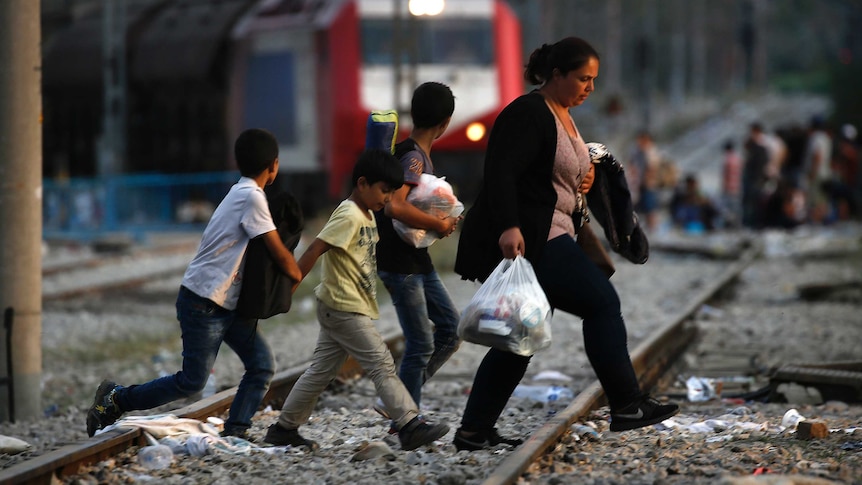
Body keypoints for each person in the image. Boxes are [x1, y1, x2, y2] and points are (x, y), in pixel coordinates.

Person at [452, 36, 679, 451]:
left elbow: (556, 173)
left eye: (593, 80)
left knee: (519, 337)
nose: (589, 88)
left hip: (552, 232)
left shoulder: (564, 115)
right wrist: (508, 226)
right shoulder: (527, 113)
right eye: (582, 78)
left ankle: (473, 430)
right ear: (555, 75)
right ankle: (627, 404)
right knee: (601, 304)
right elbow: (501, 172)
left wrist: (586, 179)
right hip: (532, 238)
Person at [86, 128, 303, 439]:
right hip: (204, 302)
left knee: (261, 366)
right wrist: (296, 274)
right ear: (274, 165)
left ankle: (236, 430)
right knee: (192, 381)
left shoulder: (241, 192)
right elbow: (277, 253)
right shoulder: (251, 198)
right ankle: (117, 398)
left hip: (224, 302)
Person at [262, 149, 450, 451]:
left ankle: (283, 428)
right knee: (381, 363)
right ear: (362, 183)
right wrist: (290, 285)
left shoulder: (367, 215)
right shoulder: (348, 214)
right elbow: (315, 249)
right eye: (384, 191)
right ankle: (408, 424)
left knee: (320, 371)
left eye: (391, 192)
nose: (387, 198)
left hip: (346, 306)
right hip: (342, 306)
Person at [375, 82, 461, 417]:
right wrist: (439, 225)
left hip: (415, 261)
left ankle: (398, 400)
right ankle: (405, 419)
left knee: (451, 330)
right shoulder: (412, 157)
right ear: (445, 124)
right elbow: (394, 207)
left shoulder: (414, 153)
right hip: (400, 264)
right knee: (421, 343)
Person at [628, 131, 662, 232]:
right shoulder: (636, 151)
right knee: (637, 208)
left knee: (650, 208)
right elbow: (632, 165)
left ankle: (652, 228)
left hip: (649, 185)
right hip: (638, 184)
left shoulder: (651, 152)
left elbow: (652, 168)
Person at [720, 139, 743, 227]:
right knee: (736, 208)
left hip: (729, 187)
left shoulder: (726, 160)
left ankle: (729, 225)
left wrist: (724, 187)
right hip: (738, 186)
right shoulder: (738, 158)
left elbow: (726, 175)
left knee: (728, 209)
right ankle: (737, 224)